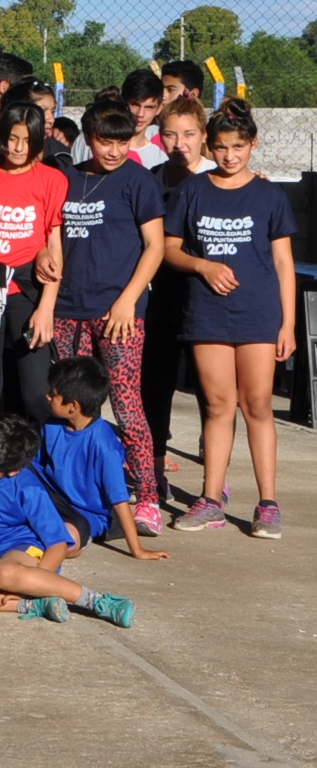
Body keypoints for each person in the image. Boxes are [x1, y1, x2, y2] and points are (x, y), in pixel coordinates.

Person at [165, 99, 293, 539]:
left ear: (253, 145)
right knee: (218, 406)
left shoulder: (270, 194)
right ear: (209, 145)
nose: (230, 155)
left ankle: (268, 503)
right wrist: (203, 266)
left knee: (257, 406)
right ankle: (211, 499)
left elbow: (283, 264)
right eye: (221, 147)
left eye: (238, 146)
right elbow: (169, 248)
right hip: (208, 314)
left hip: (259, 316)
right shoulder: (193, 191)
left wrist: (288, 324)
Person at [49, 99, 166, 535]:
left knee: (127, 404)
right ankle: (79, 491)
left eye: (121, 140)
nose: (113, 150)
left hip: (119, 315)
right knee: (72, 406)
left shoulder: (138, 182)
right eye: (104, 140)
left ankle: (148, 496)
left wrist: (126, 301)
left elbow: (154, 247)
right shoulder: (68, 178)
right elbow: (52, 233)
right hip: (67, 311)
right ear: (89, 138)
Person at [0, 414, 136, 627]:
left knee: (4, 573)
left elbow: (58, 545)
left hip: (21, 551)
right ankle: (31, 605)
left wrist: (28, 583)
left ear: (13, 470)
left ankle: (95, 600)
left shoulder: (29, 488)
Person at [0, 102, 66, 430]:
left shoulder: (52, 180)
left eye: (26, 140)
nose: (18, 148)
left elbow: (54, 245)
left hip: (26, 291)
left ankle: (51, 459)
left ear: (39, 139)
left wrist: (46, 306)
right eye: (12, 138)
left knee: (36, 390)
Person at [143, 96, 214, 495]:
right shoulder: (151, 181)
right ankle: (153, 471)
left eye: (188, 134)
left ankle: (212, 482)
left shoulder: (220, 179)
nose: (179, 143)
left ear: (203, 137)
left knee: (211, 392)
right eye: (169, 134)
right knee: (156, 384)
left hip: (209, 298)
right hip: (161, 299)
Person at [37, 357, 170, 562]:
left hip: (84, 513)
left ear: (73, 406)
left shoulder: (104, 445)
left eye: (53, 395)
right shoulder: (52, 425)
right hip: (49, 498)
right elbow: (35, 468)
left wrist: (138, 550)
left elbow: (119, 500)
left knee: (66, 540)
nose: (47, 397)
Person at [72, 69, 167, 167]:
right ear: (123, 101)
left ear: (159, 108)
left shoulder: (164, 146)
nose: (140, 114)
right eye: (135, 105)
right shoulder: (89, 140)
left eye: (149, 107)